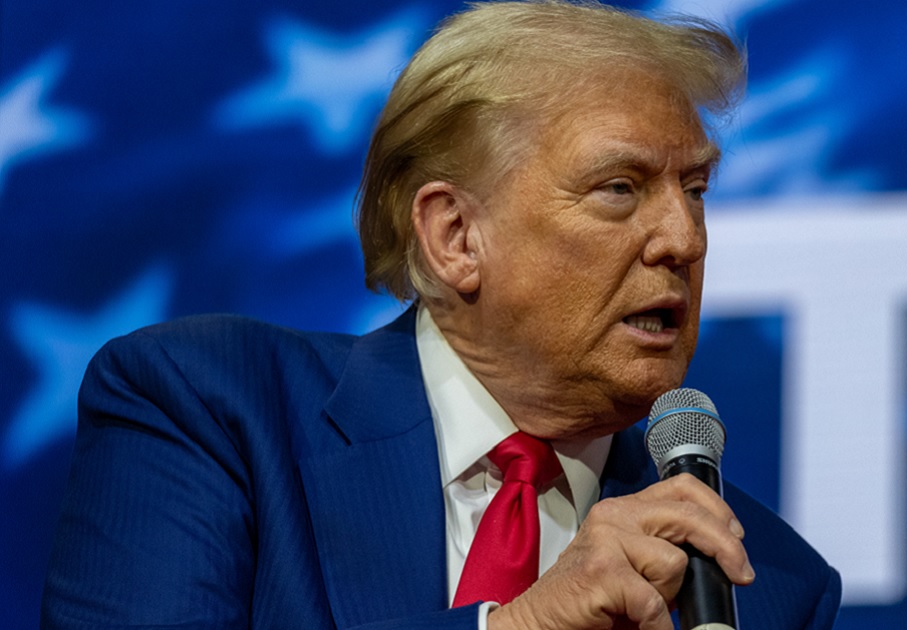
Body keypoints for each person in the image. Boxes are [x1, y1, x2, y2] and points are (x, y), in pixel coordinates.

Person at [41, 1, 841, 628]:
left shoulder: (763, 582)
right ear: (456, 235)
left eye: (695, 190)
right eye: (620, 189)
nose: (682, 238)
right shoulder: (213, 411)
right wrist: (520, 627)